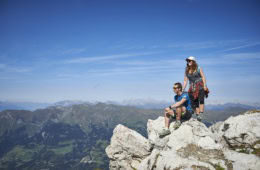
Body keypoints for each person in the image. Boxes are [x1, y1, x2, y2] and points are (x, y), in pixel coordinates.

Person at [183, 56, 208, 121]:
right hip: (192, 87)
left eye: (190, 61)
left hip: (200, 85)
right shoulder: (187, 70)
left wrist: (205, 86)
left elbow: (203, 77)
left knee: (201, 100)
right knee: (195, 102)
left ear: (193, 61)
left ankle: (201, 114)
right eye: (188, 61)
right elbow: (185, 80)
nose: (188, 62)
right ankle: (197, 115)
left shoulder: (198, 68)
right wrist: (183, 89)